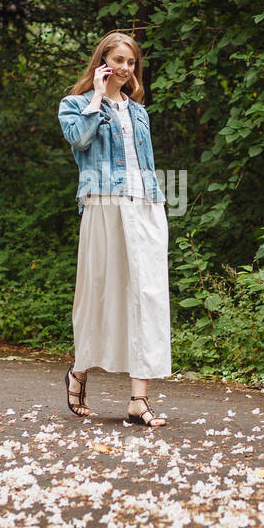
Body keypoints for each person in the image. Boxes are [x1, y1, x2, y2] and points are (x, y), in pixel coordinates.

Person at [56, 31, 171, 427]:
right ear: (102, 61)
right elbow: (79, 139)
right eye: (118, 60)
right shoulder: (75, 105)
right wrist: (97, 98)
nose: (125, 68)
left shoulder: (139, 112)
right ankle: (80, 371)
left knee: (147, 296)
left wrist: (156, 204)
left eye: (131, 62)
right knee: (99, 293)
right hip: (103, 205)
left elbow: (145, 163)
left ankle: (138, 399)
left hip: (145, 206)